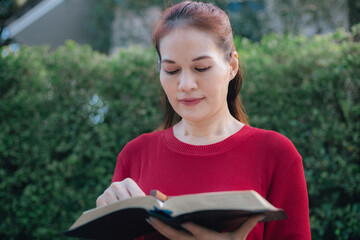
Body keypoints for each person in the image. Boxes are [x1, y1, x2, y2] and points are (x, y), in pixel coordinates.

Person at [96, 1, 311, 239]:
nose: (186, 85)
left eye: (201, 67)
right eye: (171, 70)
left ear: (232, 65)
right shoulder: (135, 155)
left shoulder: (276, 154)